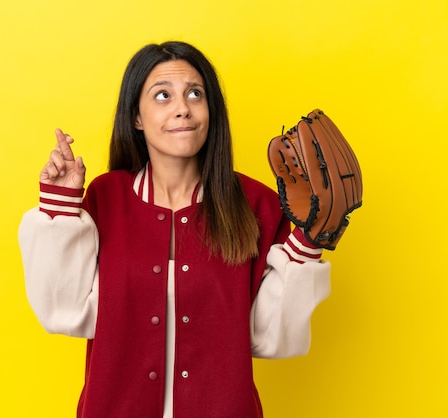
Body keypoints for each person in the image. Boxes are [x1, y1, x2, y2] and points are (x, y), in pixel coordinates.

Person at [18, 41, 331, 418]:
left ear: (210, 110)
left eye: (195, 94)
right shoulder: (106, 197)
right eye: (163, 95)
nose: (182, 108)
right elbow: (64, 311)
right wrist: (60, 205)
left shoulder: (257, 205)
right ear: (136, 116)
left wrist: (309, 241)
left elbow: (270, 336)